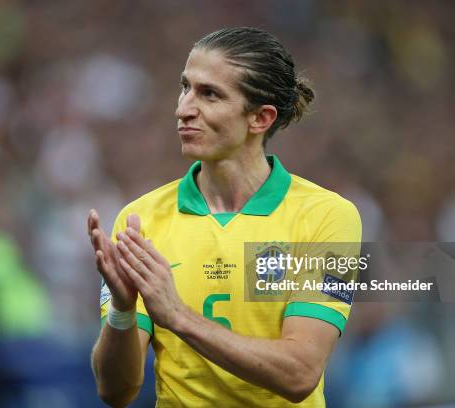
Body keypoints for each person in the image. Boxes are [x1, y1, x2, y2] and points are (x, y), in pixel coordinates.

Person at [88, 27, 362, 407]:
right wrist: (121, 311)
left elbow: (300, 373)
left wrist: (179, 317)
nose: (183, 108)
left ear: (260, 118)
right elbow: (115, 392)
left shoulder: (326, 217)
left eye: (210, 94)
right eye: (185, 87)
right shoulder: (140, 219)